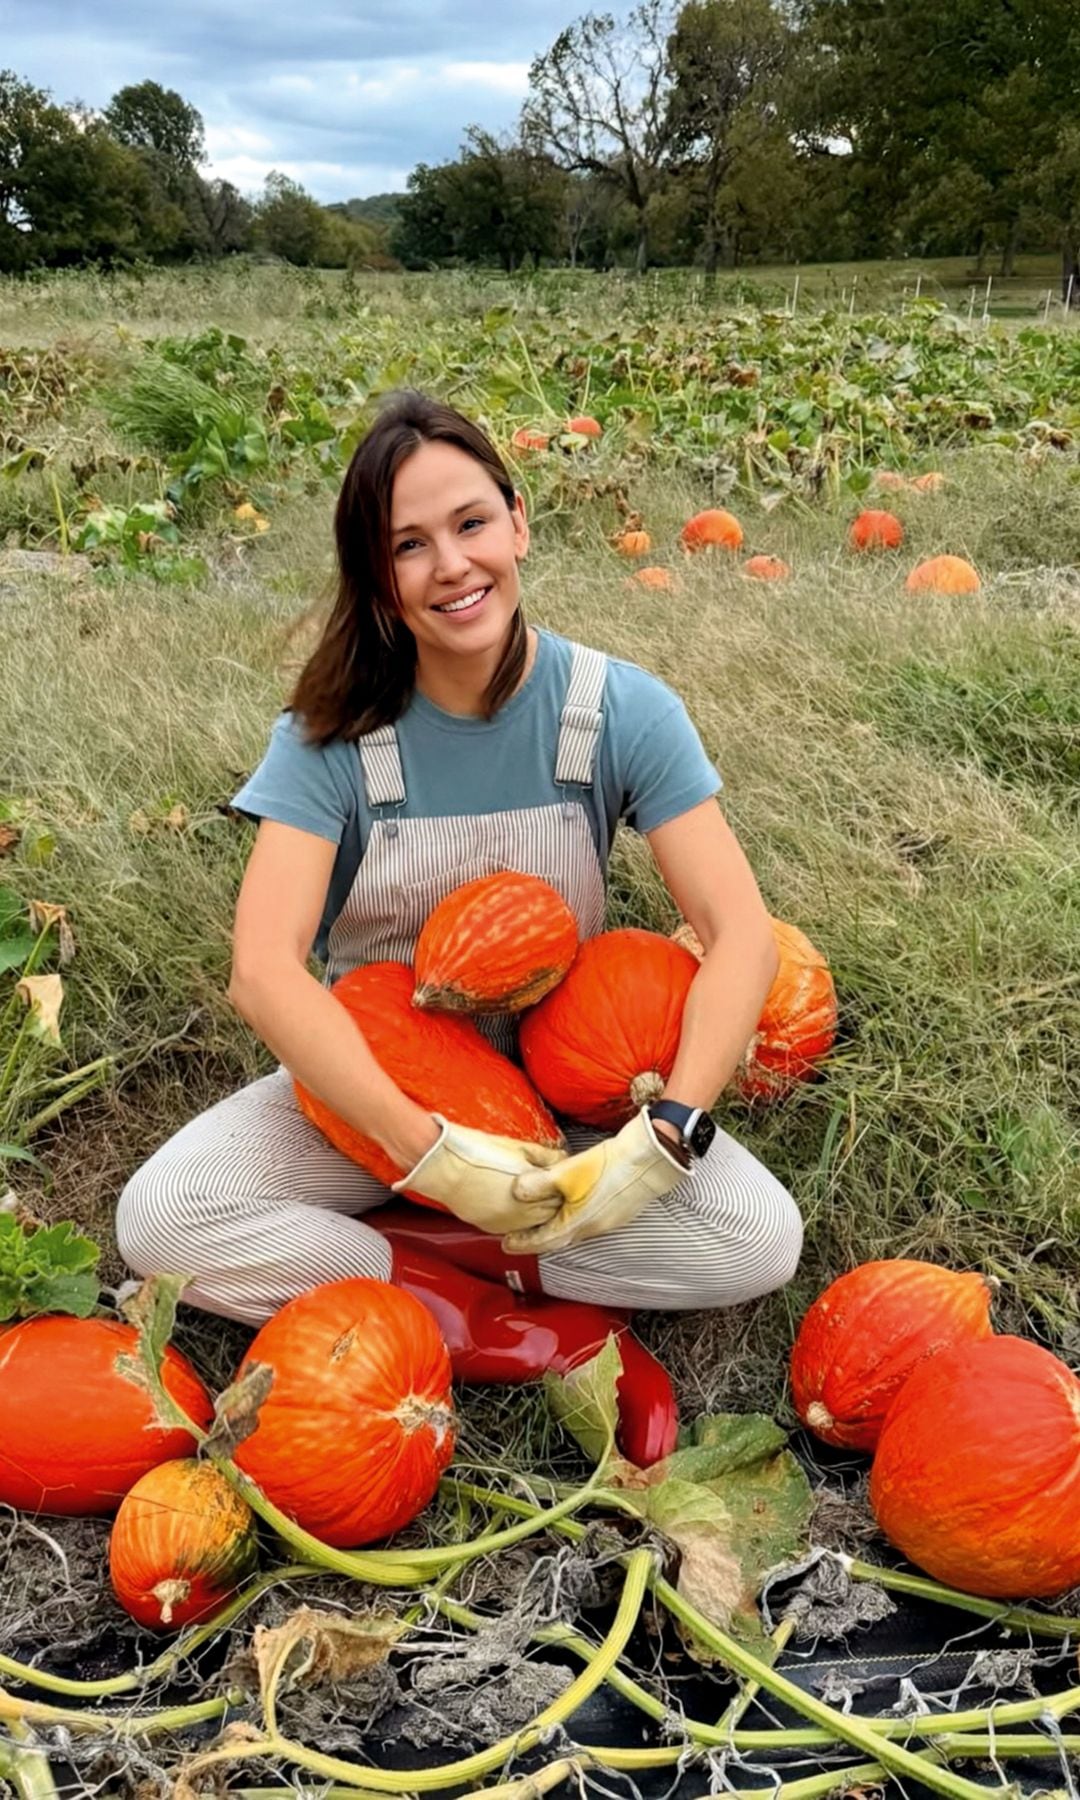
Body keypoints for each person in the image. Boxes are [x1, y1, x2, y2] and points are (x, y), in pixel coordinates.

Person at [116, 390, 802, 1468]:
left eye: (471, 524)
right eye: (409, 546)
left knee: (758, 1240)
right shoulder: (331, 738)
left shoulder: (617, 710)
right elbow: (264, 971)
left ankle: (402, 1249)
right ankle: (488, 1316)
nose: (451, 566)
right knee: (161, 1218)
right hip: (363, 1092)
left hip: (557, 1097)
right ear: (379, 580)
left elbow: (742, 935)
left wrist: (668, 1133)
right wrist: (419, 1150)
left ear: (519, 522)